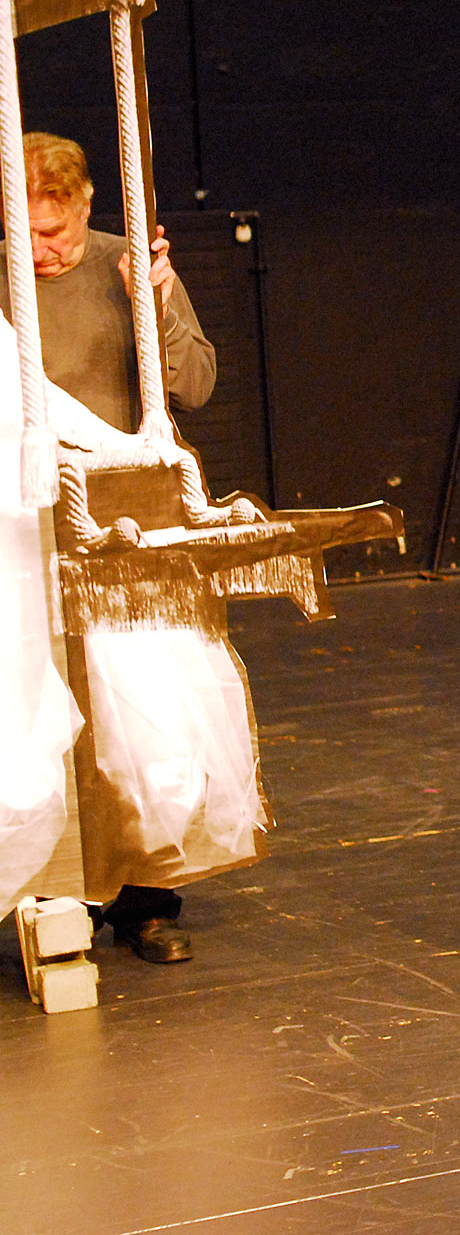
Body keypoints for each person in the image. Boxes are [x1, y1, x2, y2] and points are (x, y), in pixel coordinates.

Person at [13, 130, 215, 965]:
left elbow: (195, 384)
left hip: (126, 519)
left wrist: (153, 304)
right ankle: (52, 896)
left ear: (86, 205)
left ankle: (145, 899)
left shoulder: (125, 266)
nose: (40, 251)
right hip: (28, 526)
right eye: (22, 231)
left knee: (141, 718)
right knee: (42, 715)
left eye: (54, 232)